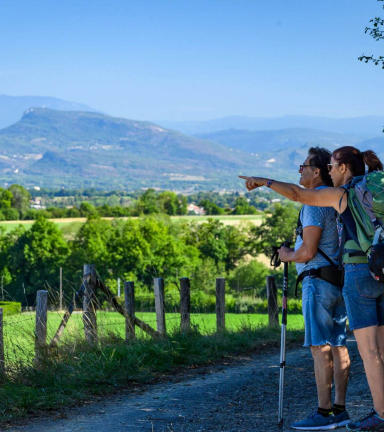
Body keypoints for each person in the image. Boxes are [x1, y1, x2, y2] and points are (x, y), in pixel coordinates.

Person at [239, 146, 384, 432]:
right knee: (374, 350)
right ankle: (363, 409)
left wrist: (263, 181)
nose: (329, 172)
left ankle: (375, 414)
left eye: (332, 167)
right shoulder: (374, 192)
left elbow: (297, 196)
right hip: (378, 271)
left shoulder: (341, 196)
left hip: (354, 274)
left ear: (343, 168)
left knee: (368, 352)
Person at [281, 147, 350, 430]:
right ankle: (339, 409)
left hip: (317, 281)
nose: (300, 171)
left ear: (317, 171)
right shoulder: (334, 201)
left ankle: (323, 414)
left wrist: (286, 255)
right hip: (338, 281)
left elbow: (307, 251)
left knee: (319, 347)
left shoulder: (314, 203)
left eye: (304, 166)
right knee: (338, 343)